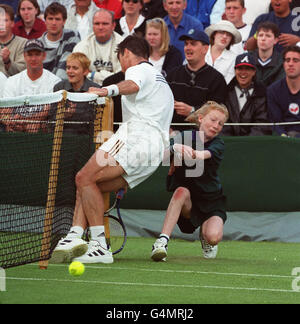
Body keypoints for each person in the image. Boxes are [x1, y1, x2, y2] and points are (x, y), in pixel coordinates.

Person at [51, 35, 174, 264]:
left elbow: (132, 85)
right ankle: (76, 234)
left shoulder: (139, 69)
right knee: (89, 184)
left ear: (125, 53)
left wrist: (105, 90)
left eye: (121, 58)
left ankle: (96, 244)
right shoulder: (161, 79)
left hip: (137, 136)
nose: (122, 64)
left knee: (83, 177)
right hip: (154, 150)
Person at [151, 101, 229, 261]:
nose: (216, 125)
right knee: (181, 191)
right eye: (213, 120)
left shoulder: (218, 144)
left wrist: (186, 151)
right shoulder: (184, 136)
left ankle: (205, 237)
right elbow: (163, 155)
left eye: (220, 123)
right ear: (200, 118)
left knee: (213, 237)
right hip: (188, 202)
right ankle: (161, 242)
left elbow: (202, 155)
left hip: (211, 201)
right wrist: (173, 148)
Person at [166, 28, 227, 132]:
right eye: (186, 44)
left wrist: (192, 111)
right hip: (171, 133)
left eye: (193, 44)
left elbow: (218, 113)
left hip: (201, 136)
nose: (187, 48)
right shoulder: (173, 75)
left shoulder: (216, 79)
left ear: (205, 49)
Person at [2, 39, 61, 132]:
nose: (33, 59)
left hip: (42, 130)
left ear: (44, 56)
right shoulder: (12, 81)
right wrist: (11, 121)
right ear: (24, 56)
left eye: (37, 54)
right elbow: (4, 111)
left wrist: (28, 122)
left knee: (36, 126)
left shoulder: (55, 81)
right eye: (30, 55)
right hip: (15, 129)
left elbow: (52, 111)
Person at [222, 53, 271, 136]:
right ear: (235, 71)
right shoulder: (226, 92)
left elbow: (262, 123)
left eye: (247, 69)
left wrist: (246, 142)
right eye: (240, 69)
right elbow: (222, 120)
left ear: (254, 72)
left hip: (252, 143)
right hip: (229, 143)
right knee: (196, 143)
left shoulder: (262, 94)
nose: (243, 73)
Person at [53, 52, 101, 134]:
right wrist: (64, 114)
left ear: (85, 71)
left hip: (87, 135)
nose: (70, 71)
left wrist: (73, 113)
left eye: (75, 68)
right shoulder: (59, 88)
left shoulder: (96, 89)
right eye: (68, 68)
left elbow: (96, 118)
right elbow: (51, 116)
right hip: (62, 134)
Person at [73, 9, 123, 86]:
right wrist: (111, 75)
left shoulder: (123, 45)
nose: (100, 27)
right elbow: (77, 75)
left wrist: (93, 75)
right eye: (97, 23)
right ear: (92, 25)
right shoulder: (82, 46)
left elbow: (122, 76)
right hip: (89, 90)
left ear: (113, 26)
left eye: (105, 24)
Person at [39, 2, 81, 80]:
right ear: (45, 21)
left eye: (57, 19)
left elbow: (63, 72)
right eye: (50, 19)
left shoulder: (72, 36)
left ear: (64, 21)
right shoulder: (37, 44)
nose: (54, 23)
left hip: (63, 86)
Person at [267, 46, 300, 137]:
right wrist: (284, 137)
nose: (290, 64)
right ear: (283, 64)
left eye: (295, 60)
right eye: (287, 60)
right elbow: (276, 123)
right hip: (284, 140)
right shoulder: (273, 90)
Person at [205, 20, 242, 84]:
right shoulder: (200, 51)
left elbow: (227, 83)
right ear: (214, 34)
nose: (225, 36)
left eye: (228, 34)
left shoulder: (234, 58)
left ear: (231, 39)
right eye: (221, 32)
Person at [251, 22, 285, 87]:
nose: (263, 39)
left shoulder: (282, 62)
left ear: (275, 40)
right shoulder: (247, 58)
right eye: (260, 35)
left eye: (268, 36)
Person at [0, 4, 27, 77]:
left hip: (15, 86)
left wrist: (7, 61)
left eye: (5, 20)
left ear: (12, 23)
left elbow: (22, 73)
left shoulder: (24, 43)